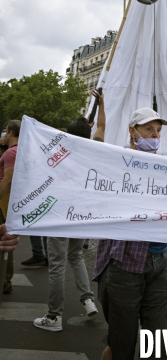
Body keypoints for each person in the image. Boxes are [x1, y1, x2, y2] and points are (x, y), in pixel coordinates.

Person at [94, 104, 167, 360]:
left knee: (159, 341)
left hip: (162, 261)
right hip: (125, 262)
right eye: (149, 129)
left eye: (158, 131)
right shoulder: (117, 161)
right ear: (133, 131)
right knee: (122, 342)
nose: (155, 136)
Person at [34, 116, 98, 332]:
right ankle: (88, 300)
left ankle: (54, 316)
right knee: (76, 256)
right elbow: (102, 130)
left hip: (60, 215)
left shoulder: (60, 155)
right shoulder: (94, 153)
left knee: (57, 265)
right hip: (80, 214)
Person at [0, 120, 21, 294]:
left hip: (4, 203)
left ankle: (5, 280)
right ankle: (5, 279)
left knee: (4, 240)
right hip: (9, 203)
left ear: (11, 133)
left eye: (5, 131)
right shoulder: (17, 151)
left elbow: (7, 180)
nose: (4, 135)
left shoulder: (11, 153)